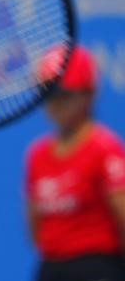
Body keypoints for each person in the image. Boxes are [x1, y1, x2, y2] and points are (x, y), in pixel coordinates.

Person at [25, 45, 125, 281]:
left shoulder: (105, 149)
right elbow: (36, 230)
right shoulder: (37, 156)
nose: (54, 104)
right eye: (46, 94)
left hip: (99, 268)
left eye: (62, 94)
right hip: (52, 270)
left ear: (88, 94)